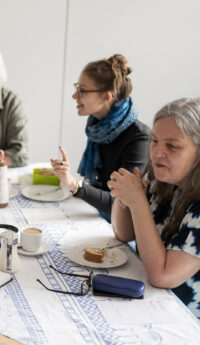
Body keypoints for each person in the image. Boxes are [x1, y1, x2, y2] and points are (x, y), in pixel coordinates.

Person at [109, 97, 200, 318]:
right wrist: (123, 196)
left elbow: (163, 276)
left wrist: (138, 203)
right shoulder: (163, 179)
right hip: (151, 302)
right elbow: (123, 233)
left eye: (171, 145)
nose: (157, 153)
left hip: (187, 324)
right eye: (154, 141)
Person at [50, 54, 150, 221]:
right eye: (77, 88)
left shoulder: (139, 138)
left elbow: (123, 205)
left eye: (82, 90)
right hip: (98, 217)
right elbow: (100, 188)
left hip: (124, 231)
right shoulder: (98, 127)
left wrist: (75, 185)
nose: (75, 96)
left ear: (106, 96)